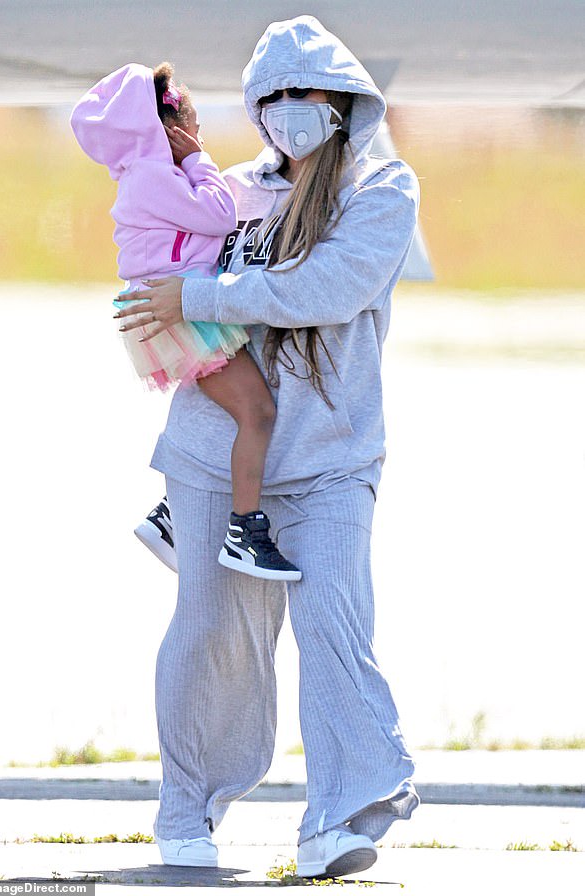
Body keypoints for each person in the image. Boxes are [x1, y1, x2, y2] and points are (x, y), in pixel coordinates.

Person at [114, 15, 420, 879]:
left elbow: (330, 286)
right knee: (210, 632)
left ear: (344, 100)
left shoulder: (384, 189)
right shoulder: (237, 189)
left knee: (333, 622)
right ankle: (186, 808)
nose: (288, 111)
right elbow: (162, 259)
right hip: (217, 452)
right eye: (271, 98)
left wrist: (205, 292)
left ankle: (337, 817)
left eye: (305, 94)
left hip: (330, 458)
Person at [70, 61, 301, 582]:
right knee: (257, 411)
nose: (198, 137)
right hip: (179, 313)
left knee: (224, 406)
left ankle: (172, 513)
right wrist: (199, 161)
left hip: (171, 309)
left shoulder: (147, 174)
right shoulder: (155, 176)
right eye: (193, 127)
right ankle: (245, 531)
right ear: (168, 131)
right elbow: (218, 215)